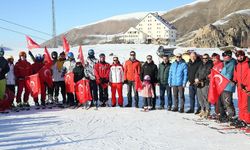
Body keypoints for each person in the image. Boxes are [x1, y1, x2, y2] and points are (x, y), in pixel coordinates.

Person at [233, 50, 250, 127]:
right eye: (238, 56)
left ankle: (247, 120)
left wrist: (248, 88)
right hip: (239, 87)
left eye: (241, 55)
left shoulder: (248, 64)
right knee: (240, 104)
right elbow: (235, 75)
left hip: (246, 88)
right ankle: (241, 118)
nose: (239, 57)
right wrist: (234, 80)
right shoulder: (237, 65)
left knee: (245, 104)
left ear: (244, 55)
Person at [220, 50, 236, 122]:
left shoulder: (232, 63)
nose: (223, 57)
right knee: (226, 101)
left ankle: (231, 116)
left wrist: (221, 75)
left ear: (229, 56)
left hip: (228, 85)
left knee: (227, 101)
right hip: (224, 85)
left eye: (224, 55)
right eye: (223, 55)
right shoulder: (227, 63)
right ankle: (230, 115)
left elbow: (228, 75)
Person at [195, 54, 213, 118]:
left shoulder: (210, 64)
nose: (204, 59)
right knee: (200, 97)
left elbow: (207, 73)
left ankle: (207, 110)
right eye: (203, 58)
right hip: (199, 83)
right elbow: (197, 72)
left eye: (206, 58)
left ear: (208, 58)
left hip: (205, 83)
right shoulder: (201, 64)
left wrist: (200, 79)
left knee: (205, 97)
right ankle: (202, 109)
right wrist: (196, 78)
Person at [211, 53, 225, 119]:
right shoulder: (214, 66)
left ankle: (221, 114)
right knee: (215, 100)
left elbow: (221, 75)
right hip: (214, 86)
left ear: (218, 58)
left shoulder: (220, 64)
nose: (213, 59)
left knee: (219, 101)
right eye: (213, 58)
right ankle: (217, 113)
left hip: (219, 86)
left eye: (215, 58)